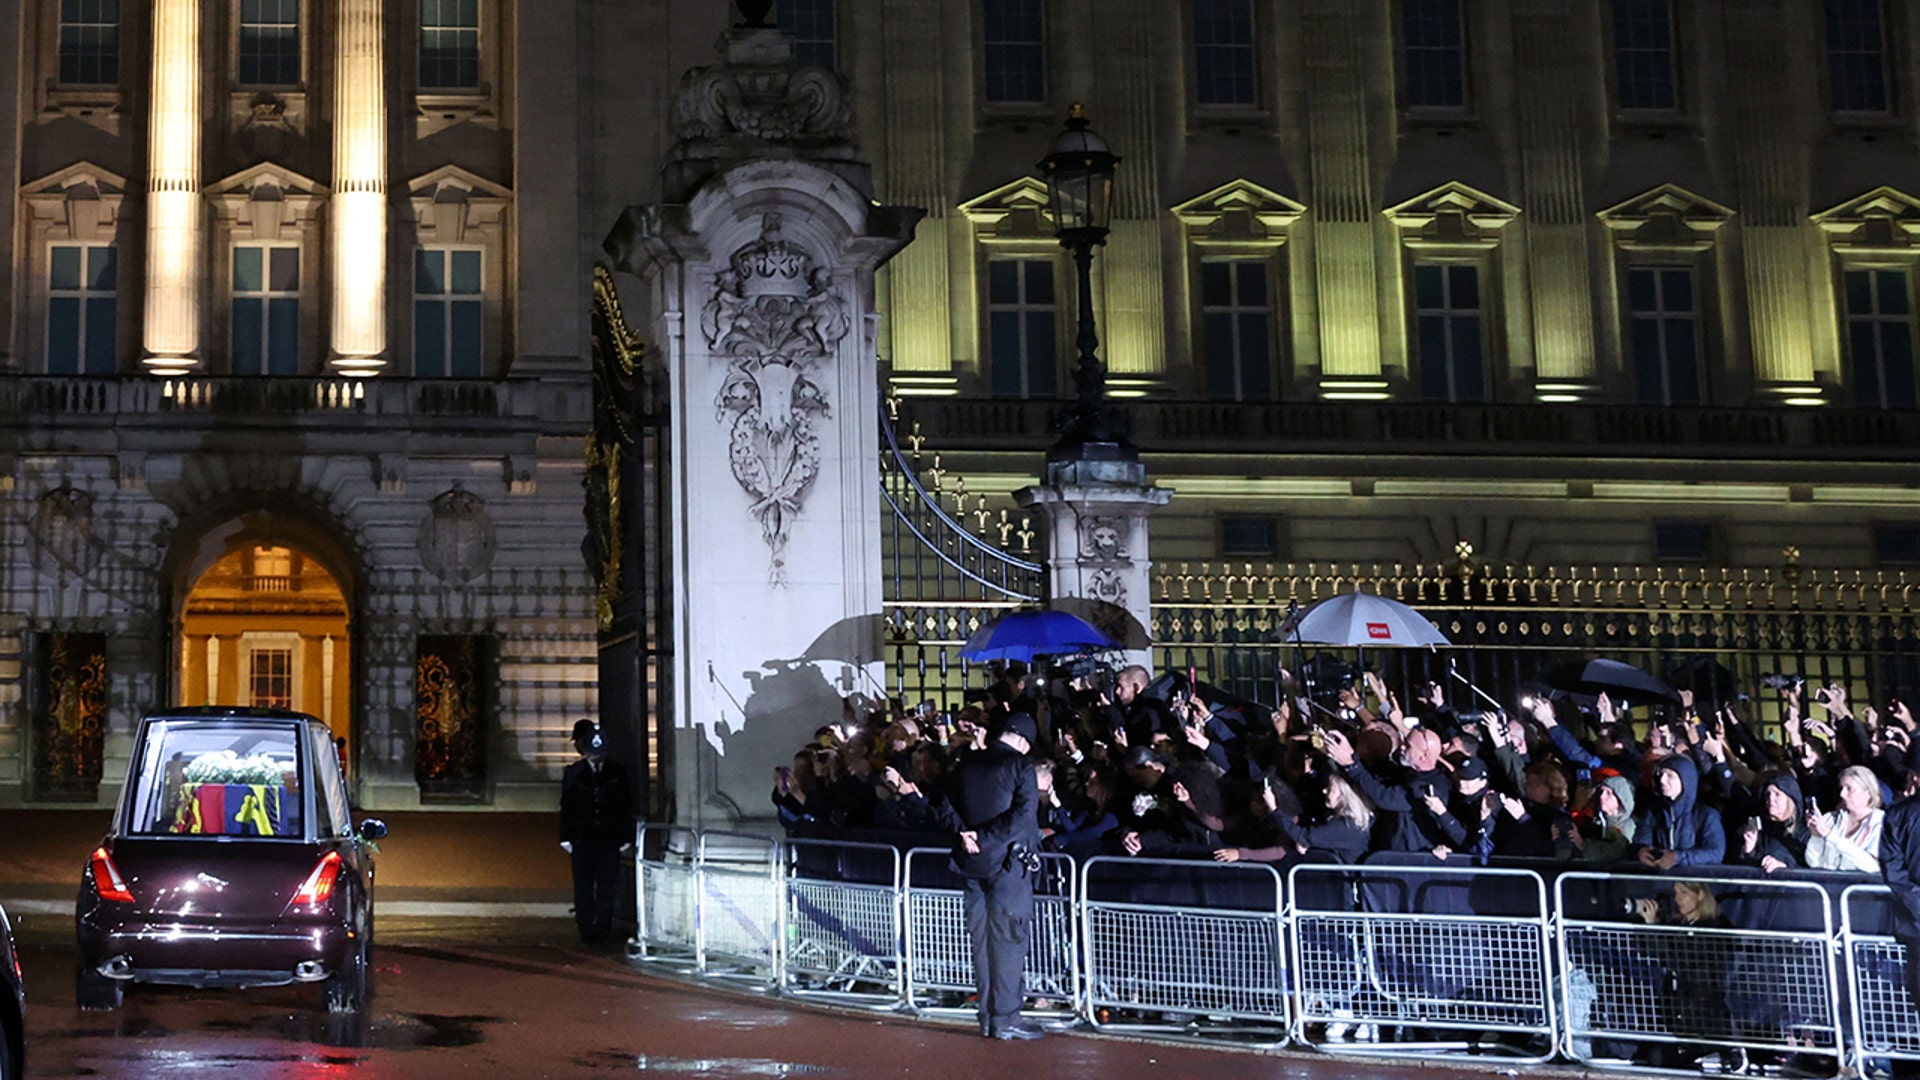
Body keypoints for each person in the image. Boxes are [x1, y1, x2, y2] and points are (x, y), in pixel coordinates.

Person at [934, 712, 1045, 1041]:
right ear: (1024, 741)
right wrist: (985, 837)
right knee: (1009, 942)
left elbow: (943, 805)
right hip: (1008, 866)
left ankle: (986, 1016)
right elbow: (1024, 816)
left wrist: (965, 835)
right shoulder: (1021, 767)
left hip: (970, 864)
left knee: (981, 942)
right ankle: (1007, 1017)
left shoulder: (966, 762)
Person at [560, 719, 634, 947]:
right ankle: (586, 929)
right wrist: (565, 837)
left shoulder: (617, 772)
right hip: (582, 838)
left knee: (606, 887)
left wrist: (625, 837)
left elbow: (624, 806)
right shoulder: (574, 773)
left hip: (608, 839)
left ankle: (602, 928)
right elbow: (567, 807)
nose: (595, 757)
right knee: (583, 886)